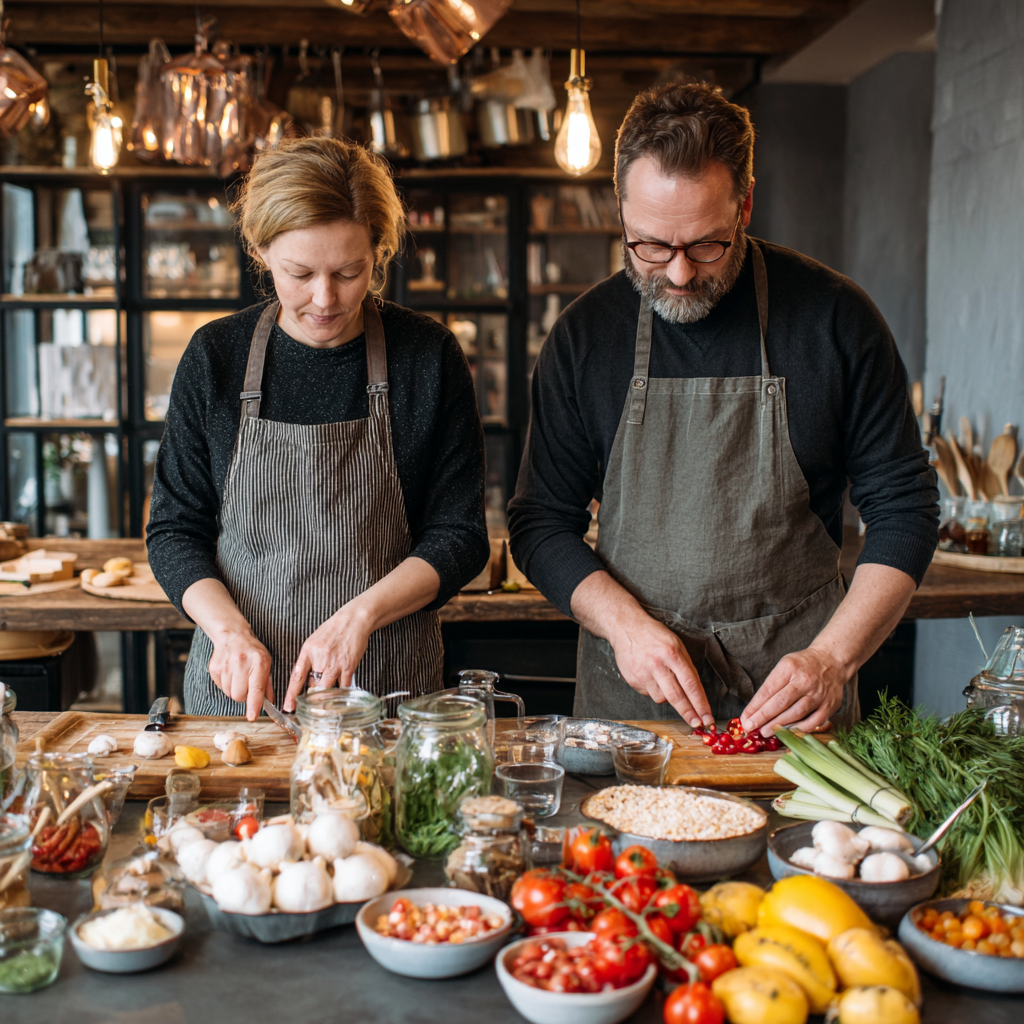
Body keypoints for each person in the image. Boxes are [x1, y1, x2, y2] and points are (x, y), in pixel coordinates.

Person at [508, 82, 938, 736]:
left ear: (746, 204)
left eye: (707, 245)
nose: (678, 274)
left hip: (795, 700)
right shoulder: (583, 338)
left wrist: (833, 657)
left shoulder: (833, 319)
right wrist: (627, 628)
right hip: (635, 703)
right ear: (620, 211)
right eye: (650, 245)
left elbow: (905, 506)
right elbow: (540, 522)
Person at [148, 136, 488, 720]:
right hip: (239, 706)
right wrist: (227, 632)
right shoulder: (216, 357)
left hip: (384, 695)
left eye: (350, 272)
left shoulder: (426, 356)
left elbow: (459, 535)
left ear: (378, 253)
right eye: (299, 273)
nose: (325, 299)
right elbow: (175, 530)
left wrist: (359, 617)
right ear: (260, 251)